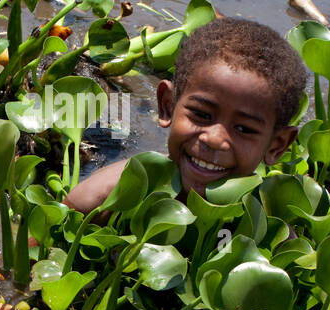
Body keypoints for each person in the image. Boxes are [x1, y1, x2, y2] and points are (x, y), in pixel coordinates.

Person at [64, 16, 308, 214]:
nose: (214, 139)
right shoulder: (102, 199)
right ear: (168, 105)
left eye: (244, 129)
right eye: (202, 114)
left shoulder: (264, 225)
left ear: (276, 146)